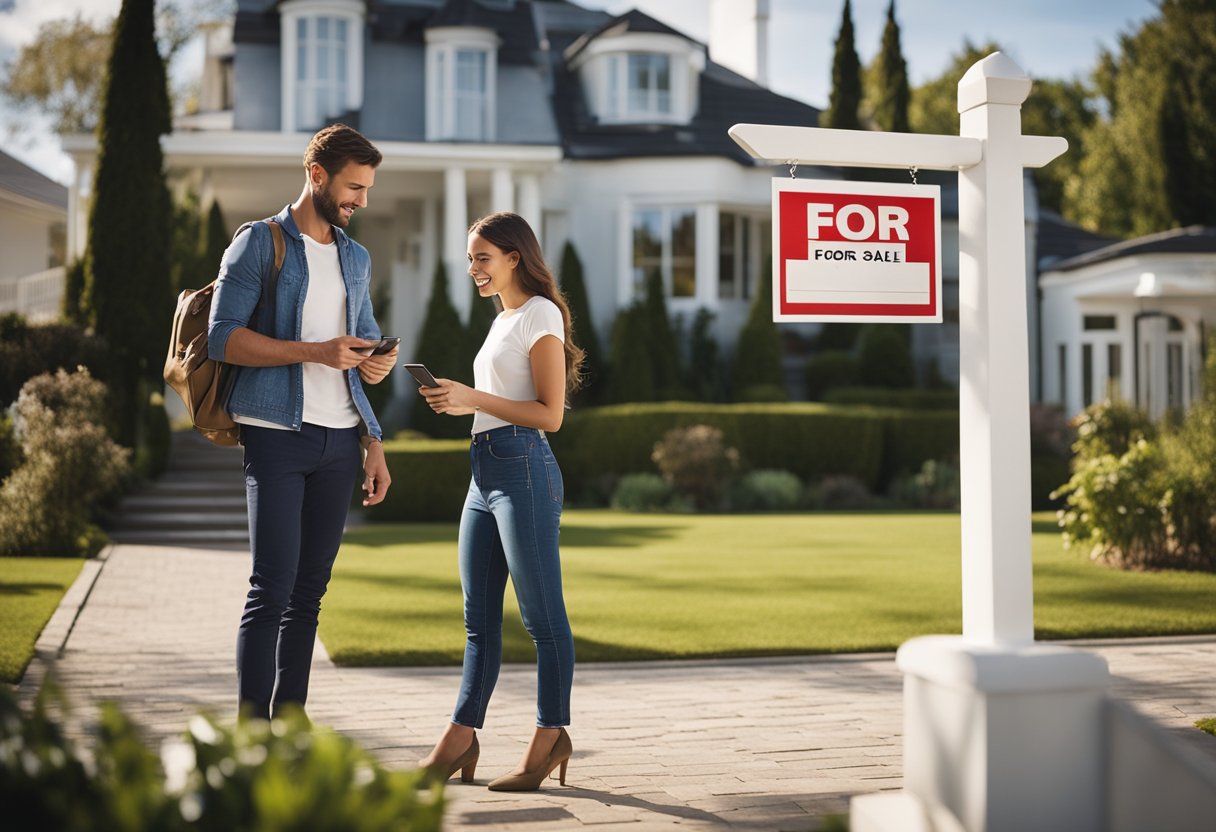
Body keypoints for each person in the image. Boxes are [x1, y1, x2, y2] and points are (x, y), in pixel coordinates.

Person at [208, 123, 396, 720]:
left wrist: (374, 425)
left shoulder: (355, 256)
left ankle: (290, 727)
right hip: (276, 435)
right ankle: (248, 732)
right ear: (316, 175)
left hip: (341, 440)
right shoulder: (258, 242)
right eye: (353, 188)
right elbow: (222, 339)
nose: (361, 201)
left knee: (309, 595)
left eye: (367, 190)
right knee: (272, 589)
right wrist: (316, 351)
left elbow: (358, 344)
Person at [417, 211, 584, 791]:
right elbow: (494, 401)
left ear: (516, 257)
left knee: (542, 618)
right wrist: (462, 404)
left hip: (524, 469)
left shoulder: (540, 315)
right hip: (482, 470)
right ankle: (460, 740)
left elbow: (550, 415)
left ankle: (550, 734)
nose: (473, 269)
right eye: (470, 259)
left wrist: (472, 396)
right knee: (477, 621)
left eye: (482, 258)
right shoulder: (504, 319)